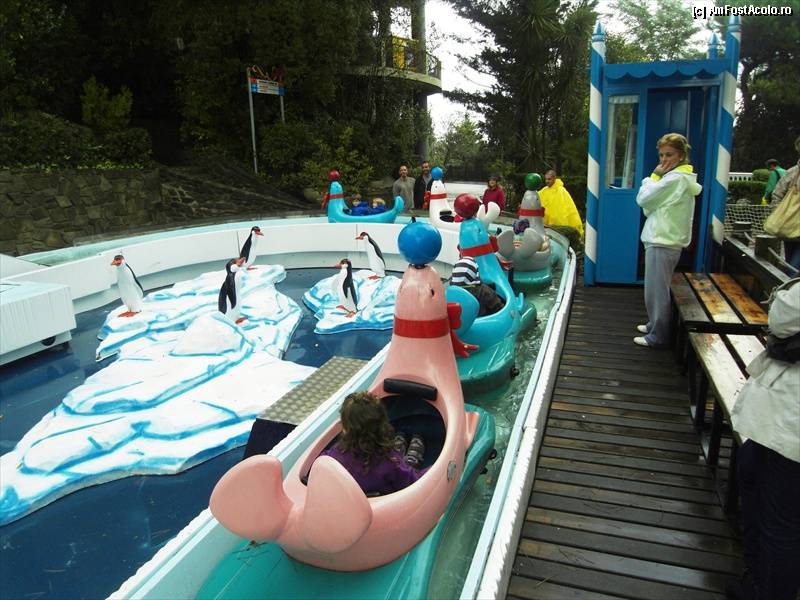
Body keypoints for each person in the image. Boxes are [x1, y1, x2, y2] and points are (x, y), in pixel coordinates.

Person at [727, 278, 800, 600]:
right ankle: (756, 579)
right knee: (752, 476)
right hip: (778, 420)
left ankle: (767, 590)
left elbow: (784, 314)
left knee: (781, 524)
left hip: (788, 427)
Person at [634, 133, 702, 348]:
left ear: (681, 155)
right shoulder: (680, 178)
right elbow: (651, 204)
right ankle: (654, 324)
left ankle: (658, 336)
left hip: (662, 239)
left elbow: (643, 199)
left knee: (657, 290)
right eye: (662, 155)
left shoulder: (674, 179)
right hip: (665, 239)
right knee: (656, 288)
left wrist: (653, 177)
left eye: (669, 155)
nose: (664, 160)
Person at [322, 391, 428, 496]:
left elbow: (321, 464)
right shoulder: (389, 462)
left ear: (345, 429)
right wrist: (432, 469)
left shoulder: (334, 455)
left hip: (358, 499)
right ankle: (411, 461)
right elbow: (412, 483)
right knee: (405, 468)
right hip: (388, 498)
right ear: (382, 426)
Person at [770, 136, 800, 270]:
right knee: (791, 267)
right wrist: (781, 216)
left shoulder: (791, 172)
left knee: (792, 267)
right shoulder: (792, 173)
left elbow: (776, 195)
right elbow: (776, 196)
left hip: (789, 227)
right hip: (790, 228)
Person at [539, 169, 584, 237]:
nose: (547, 181)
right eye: (546, 179)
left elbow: (565, 208)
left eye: (549, 179)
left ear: (554, 178)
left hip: (558, 224)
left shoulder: (561, 190)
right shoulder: (544, 190)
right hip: (547, 224)